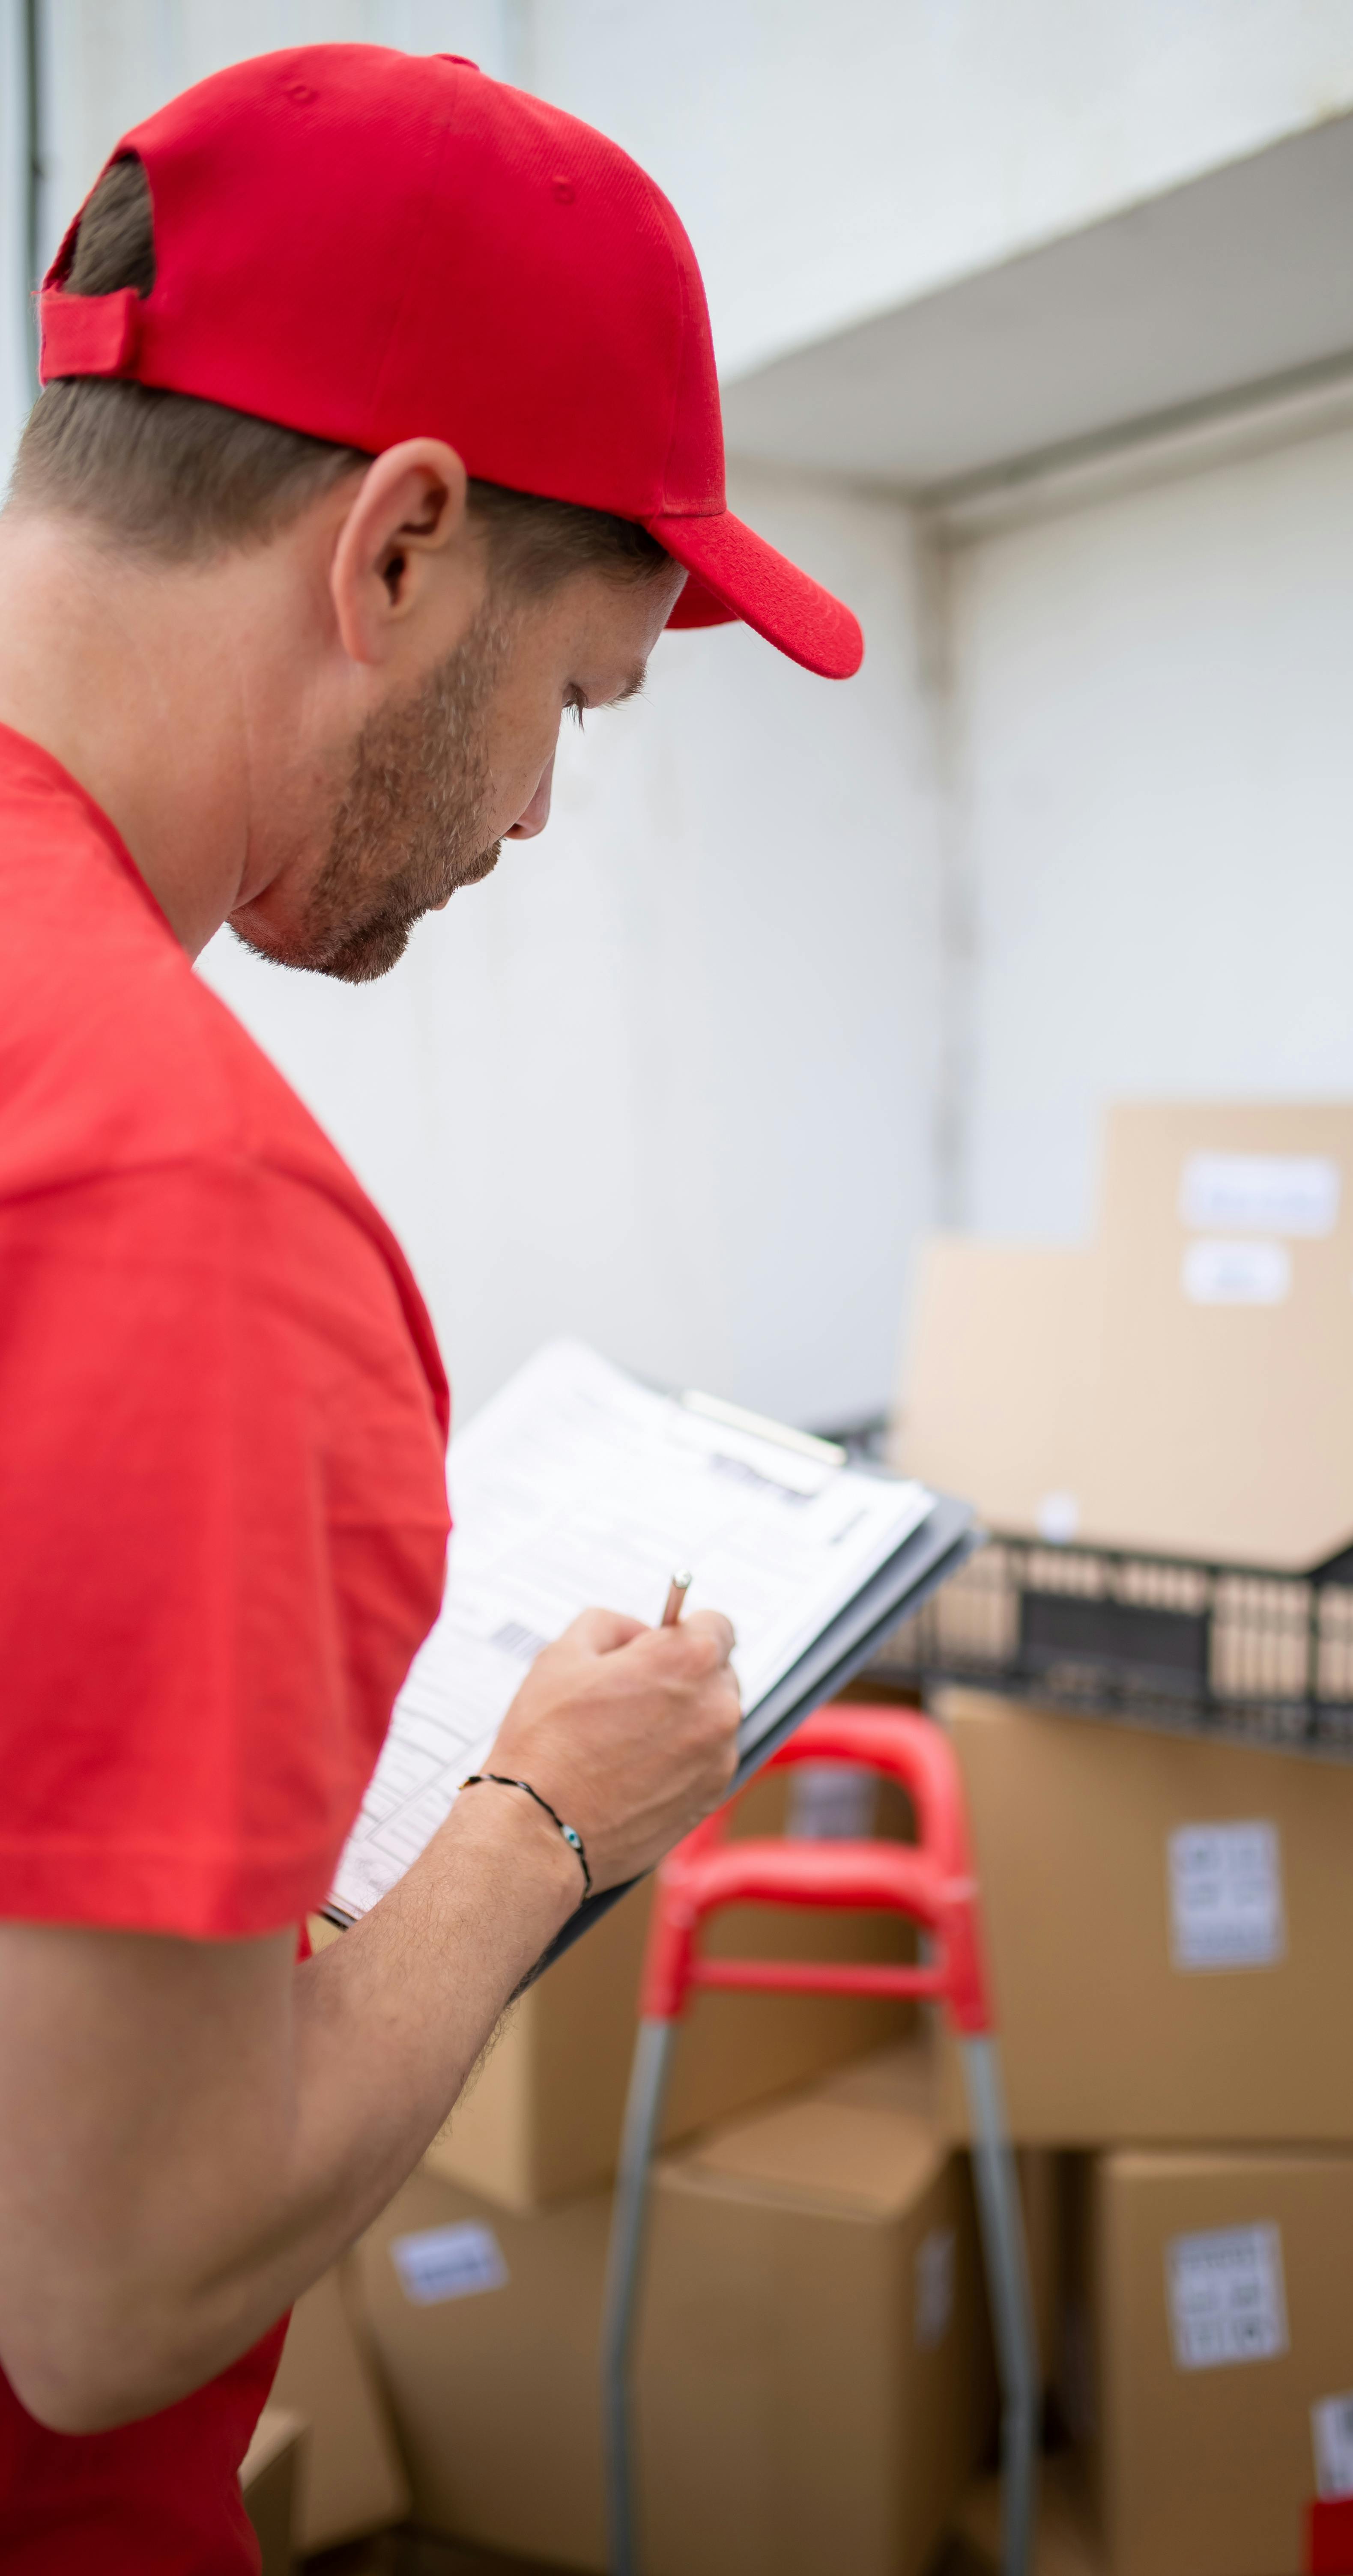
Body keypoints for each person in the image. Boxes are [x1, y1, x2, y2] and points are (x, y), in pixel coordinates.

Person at [0, 44, 863, 2571]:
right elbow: (107, 2280)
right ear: (398, 551)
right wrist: (539, 1820)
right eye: (572, 703)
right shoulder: (169, 1190)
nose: (533, 821)